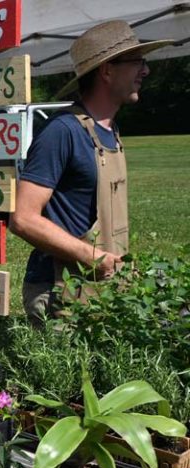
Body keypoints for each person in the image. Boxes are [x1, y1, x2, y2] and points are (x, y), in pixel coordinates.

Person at [10, 20, 173, 326]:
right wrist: (93, 258)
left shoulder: (109, 131)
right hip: (61, 290)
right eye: (137, 62)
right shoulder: (63, 131)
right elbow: (23, 218)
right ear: (107, 71)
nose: (146, 71)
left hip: (103, 285)